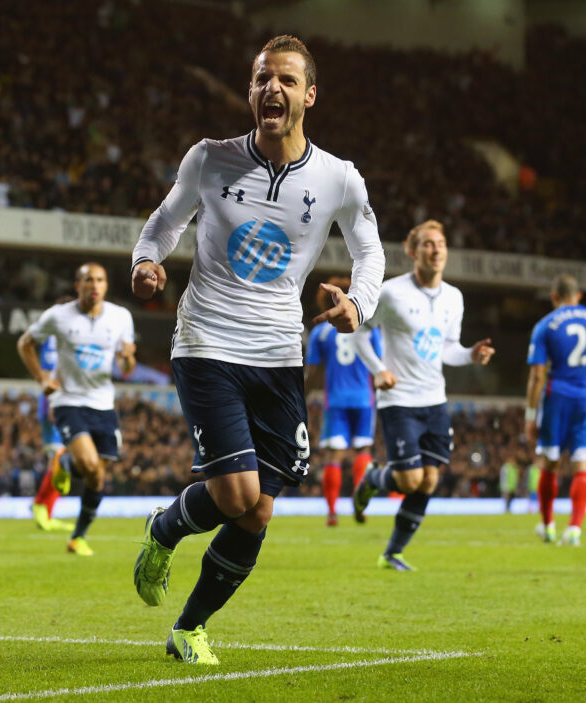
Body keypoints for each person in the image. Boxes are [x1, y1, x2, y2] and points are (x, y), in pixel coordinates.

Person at [130, 35, 385, 666]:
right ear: (250, 91)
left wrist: (360, 302)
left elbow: (370, 252)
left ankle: (189, 629)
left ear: (310, 95)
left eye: (287, 80)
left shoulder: (338, 179)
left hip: (279, 354)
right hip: (208, 340)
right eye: (262, 78)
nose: (273, 88)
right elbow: (165, 223)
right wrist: (145, 261)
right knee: (238, 493)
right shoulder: (210, 159)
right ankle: (164, 530)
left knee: (258, 512)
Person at [351, 219, 494, 571]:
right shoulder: (390, 292)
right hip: (398, 399)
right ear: (413, 252)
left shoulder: (454, 297)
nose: (436, 250)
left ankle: (392, 554)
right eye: (428, 244)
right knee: (408, 480)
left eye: (441, 244)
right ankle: (372, 479)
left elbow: (447, 349)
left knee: (429, 480)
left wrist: (470, 354)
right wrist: (378, 370)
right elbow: (357, 331)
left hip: (434, 400)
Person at [16, 262, 136, 555]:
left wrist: (128, 359)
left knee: (97, 476)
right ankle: (66, 460)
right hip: (68, 400)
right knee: (91, 465)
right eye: (88, 280)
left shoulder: (121, 317)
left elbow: (126, 369)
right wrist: (42, 378)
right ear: (77, 285)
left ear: (106, 286)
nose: (94, 285)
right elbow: (25, 344)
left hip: (103, 403)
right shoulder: (59, 315)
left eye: (99, 280)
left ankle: (77, 537)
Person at [525, 274, 586, 546]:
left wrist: (530, 415)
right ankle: (574, 528)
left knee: (550, 463)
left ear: (554, 297)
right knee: (582, 464)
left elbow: (538, 375)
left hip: (556, 399)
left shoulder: (545, 326)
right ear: (580, 295)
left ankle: (547, 525)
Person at [305, 276, 382, 526]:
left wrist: (301, 396)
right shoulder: (369, 329)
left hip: (335, 401)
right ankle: (361, 506)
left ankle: (332, 512)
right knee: (363, 451)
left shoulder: (320, 332)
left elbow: (314, 373)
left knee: (334, 456)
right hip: (363, 399)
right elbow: (377, 366)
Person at [29, 334, 73, 532]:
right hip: (54, 405)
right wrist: (53, 404)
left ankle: (46, 512)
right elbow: (48, 374)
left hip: (61, 404)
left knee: (59, 462)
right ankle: (40, 505)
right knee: (58, 460)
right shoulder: (55, 339)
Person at [499, 448, 521, 513]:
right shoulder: (505, 467)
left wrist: (516, 486)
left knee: (511, 499)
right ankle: (506, 510)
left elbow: (516, 478)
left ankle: (509, 510)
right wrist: (505, 487)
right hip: (507, 487)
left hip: (513, 487)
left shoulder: (515, 468)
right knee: (507, 499)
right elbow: (503, 478)